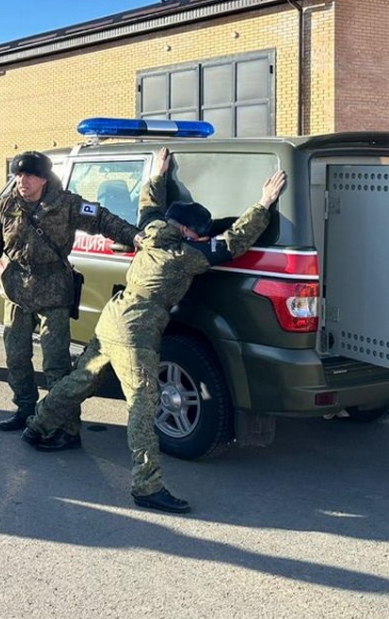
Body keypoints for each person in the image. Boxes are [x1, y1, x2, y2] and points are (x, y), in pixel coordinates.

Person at [22, 149, 287, 514]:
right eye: (197, 232)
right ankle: (147, 486)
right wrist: (264, 203)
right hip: (137, 328)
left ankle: (37, 426)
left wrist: (158, 176)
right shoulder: (183, 256)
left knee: (81, 378)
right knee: (144, 405)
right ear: (186, 230)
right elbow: (231, 243)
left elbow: (149, 204)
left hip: (114, 315)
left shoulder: (149, 231)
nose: (200, 236)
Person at [0, 151, 141, 433]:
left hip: (53, 291)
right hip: (17, 290)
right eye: (18, 174)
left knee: (57, 363)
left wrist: (134, 236)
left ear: (42, 179)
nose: (21, 180)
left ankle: (62, 421)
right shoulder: (5, 206)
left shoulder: (66, 204)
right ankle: (25, 408)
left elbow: (103, 219)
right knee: (16, 357)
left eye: (28, 175)